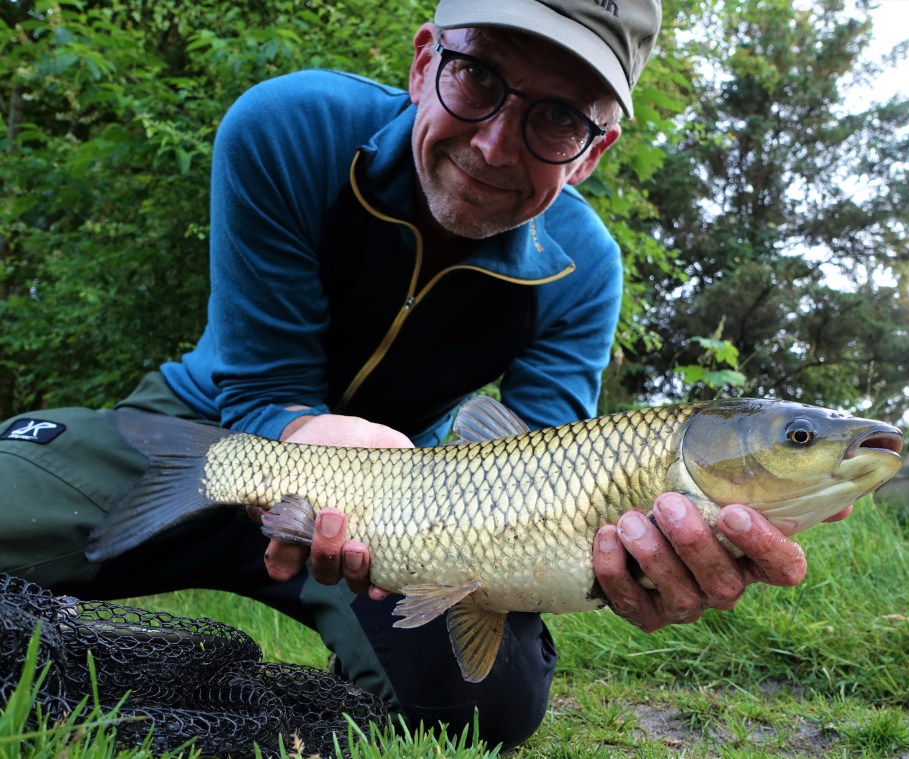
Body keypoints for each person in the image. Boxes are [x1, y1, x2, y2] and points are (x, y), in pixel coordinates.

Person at [0, 0, 847, 749]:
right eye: (477, 76)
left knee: (490, 704)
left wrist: (627, 567)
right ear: (422, 61)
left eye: (557, 118)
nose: (493, 144)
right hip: (202, 425)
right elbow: (258, 388)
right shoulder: (289, 126)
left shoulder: (583, 269)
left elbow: (548, 478)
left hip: (410, 514)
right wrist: (311, 439)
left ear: (593, 153)